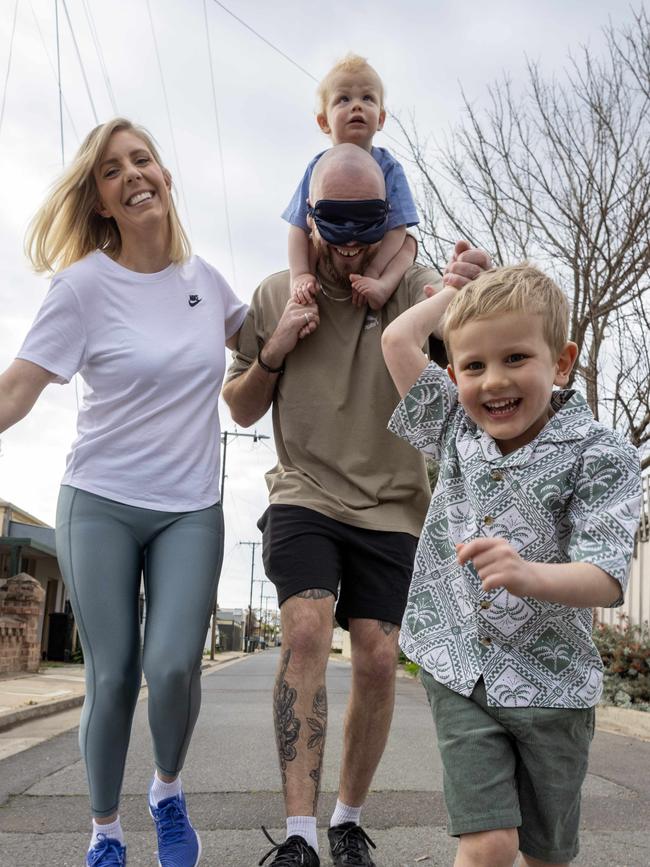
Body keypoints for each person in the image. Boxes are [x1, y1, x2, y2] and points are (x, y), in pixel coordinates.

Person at [222, 142, 489, 867]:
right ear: (309, 221)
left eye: (368, 229)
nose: (351, 251)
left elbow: (468, 340)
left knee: (377, 655)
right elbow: (241, 407)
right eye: (335, 232)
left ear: (389, 216)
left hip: (396, 502)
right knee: (306, 629)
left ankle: (346, 818)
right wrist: (274, 350)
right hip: (305, 490)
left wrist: (473, 288)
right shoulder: (280, 291)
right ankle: (301, 836)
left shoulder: (413, 285)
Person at [0, 118, 247, 867]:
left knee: (172, 665)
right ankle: (105, 831)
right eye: (112, 170)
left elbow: (267, 351)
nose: (134, 174)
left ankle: (166, 791)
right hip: (100, 501)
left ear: (166, 177)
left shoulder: (205, 282)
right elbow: (17, 389)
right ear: (101, 199)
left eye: (144, 159)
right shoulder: (79, 288)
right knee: (112, 673)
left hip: (190, 506)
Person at [382, 264, 642, 867]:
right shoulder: (455, 428)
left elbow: (605, 578)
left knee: (544, 855)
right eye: (473, 366)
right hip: (461, 669)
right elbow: (396, 341)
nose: (493, 381)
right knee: (489, 841)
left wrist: (529, 575)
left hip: (554, 685)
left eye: (516, 358)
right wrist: (451, 294)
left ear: (562, 362)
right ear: (453, 374)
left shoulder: (601, 454)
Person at [284, 53, 419, 311]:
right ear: (324, 121)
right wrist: (300, 274)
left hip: (375, 255)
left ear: (380, 118)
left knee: (408, 244)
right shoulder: (317, 169)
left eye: (367, 98)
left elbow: (397, 226)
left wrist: (376, 272)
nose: (356, 106)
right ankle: (313, 291)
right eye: (343, 99)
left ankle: (382, 288)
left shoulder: (389, 167)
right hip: (331, 254)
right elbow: (298, 225)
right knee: (315, 235)